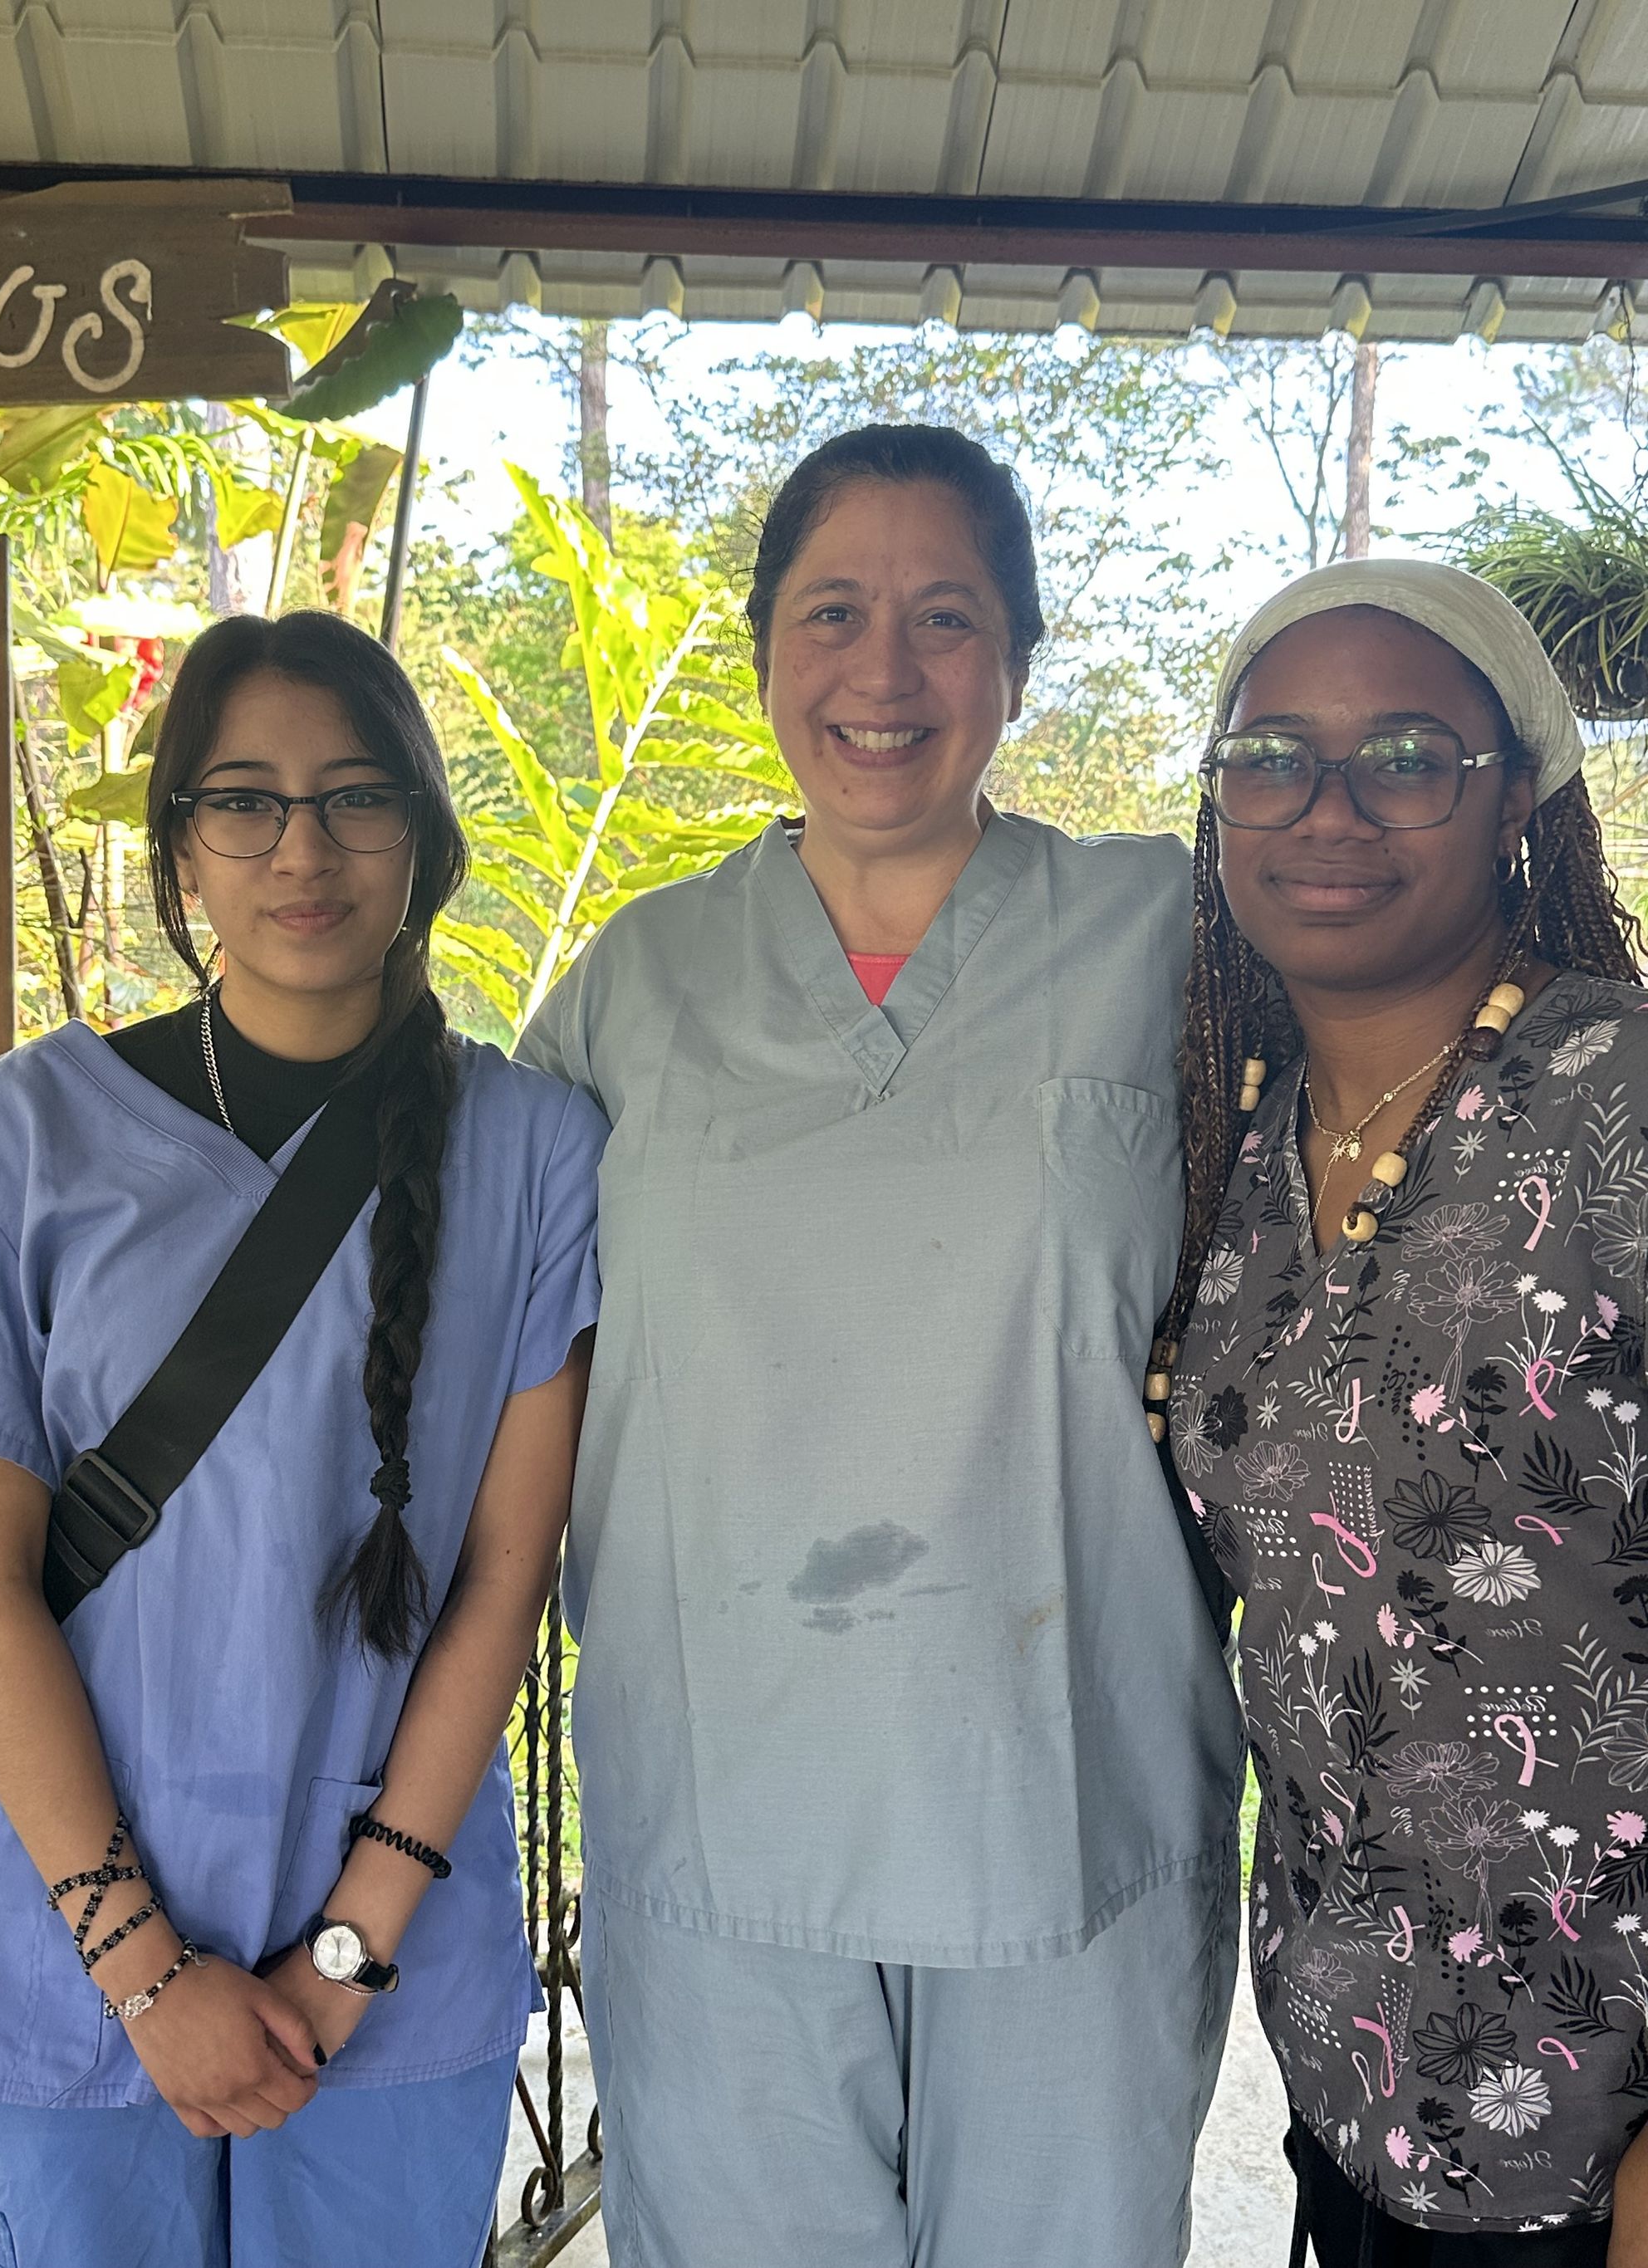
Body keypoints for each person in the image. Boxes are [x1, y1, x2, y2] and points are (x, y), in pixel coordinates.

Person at [517, 423, 1242, 2268]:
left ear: (1016, 657)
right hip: (723, 1805)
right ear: (766, 646)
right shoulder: (633, 982)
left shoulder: (1163, 936)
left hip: (1067, 1791)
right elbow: (498, 1365)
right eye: (833, 610)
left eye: (946, 616)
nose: (885, 671)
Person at [0, 612, 606, 2267]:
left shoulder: (535, 1151)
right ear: (179, 848)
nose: (300, 847)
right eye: (242, 800)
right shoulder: (17, 1138)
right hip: (60, 1936)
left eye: (355, 795)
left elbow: (499, 1582)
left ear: (422, 837)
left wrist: (347, 1947)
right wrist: (149, 1976)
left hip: (393, 1954)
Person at [1163, 558, 1648, 2264]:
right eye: (1270, 754)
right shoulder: (1240, 1154)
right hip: (1361, 2103)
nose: (1327, 810)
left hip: (1607, 2134)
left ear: (1513, 793)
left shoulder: (1614, 1101)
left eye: (1406, 758)